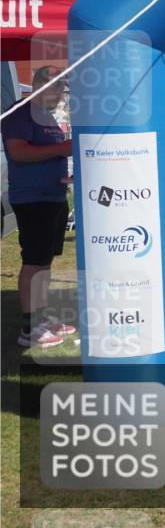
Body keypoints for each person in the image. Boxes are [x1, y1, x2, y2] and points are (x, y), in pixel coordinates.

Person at [1, 66, 78, 348]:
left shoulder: (46, 115)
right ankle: (29, 328)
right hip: (33, 198)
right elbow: (19, 151)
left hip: (53, 194)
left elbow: (49, 152)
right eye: (57, 87)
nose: (60, 95)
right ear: (39, 85)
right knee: (34, 261)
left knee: (44, 262)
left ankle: (41, 318)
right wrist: (61, 149)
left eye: (63, 89)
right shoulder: (21, 111)